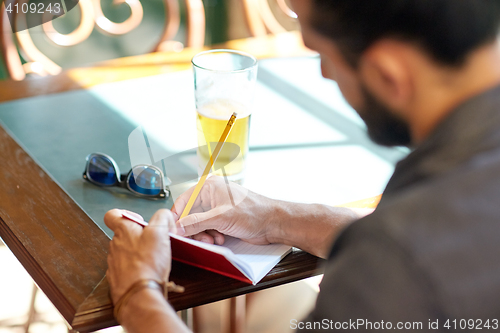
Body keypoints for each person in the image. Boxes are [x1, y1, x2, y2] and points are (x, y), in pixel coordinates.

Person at [104, 0, 500, 331]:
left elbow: (407, 255)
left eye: (323, 53)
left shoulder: (394, 262)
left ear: (387, 73)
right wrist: (276, 217)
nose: (325, 72)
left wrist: (136, 294)